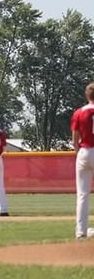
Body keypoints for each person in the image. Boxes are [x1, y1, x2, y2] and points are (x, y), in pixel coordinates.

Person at [71, 82, 94, 239]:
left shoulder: (79, 112)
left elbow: (75, 137)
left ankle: (81, 232)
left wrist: (78, 152)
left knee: (82, 194)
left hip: (84, 151)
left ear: (87, 95)